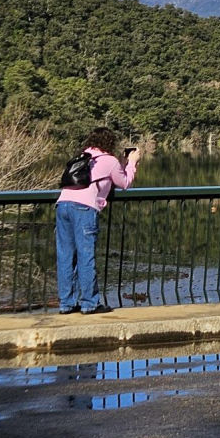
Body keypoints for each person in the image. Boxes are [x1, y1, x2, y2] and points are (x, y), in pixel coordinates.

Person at [55, 127, 138, 314]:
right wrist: (132, 163)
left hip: (63, 205)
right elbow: (125, 183)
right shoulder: (110, 160)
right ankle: (90, 303)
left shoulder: (82, 156)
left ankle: (66, 304)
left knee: (65, 256)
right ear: (110, 142)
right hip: (84, 208)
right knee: (86, 256)